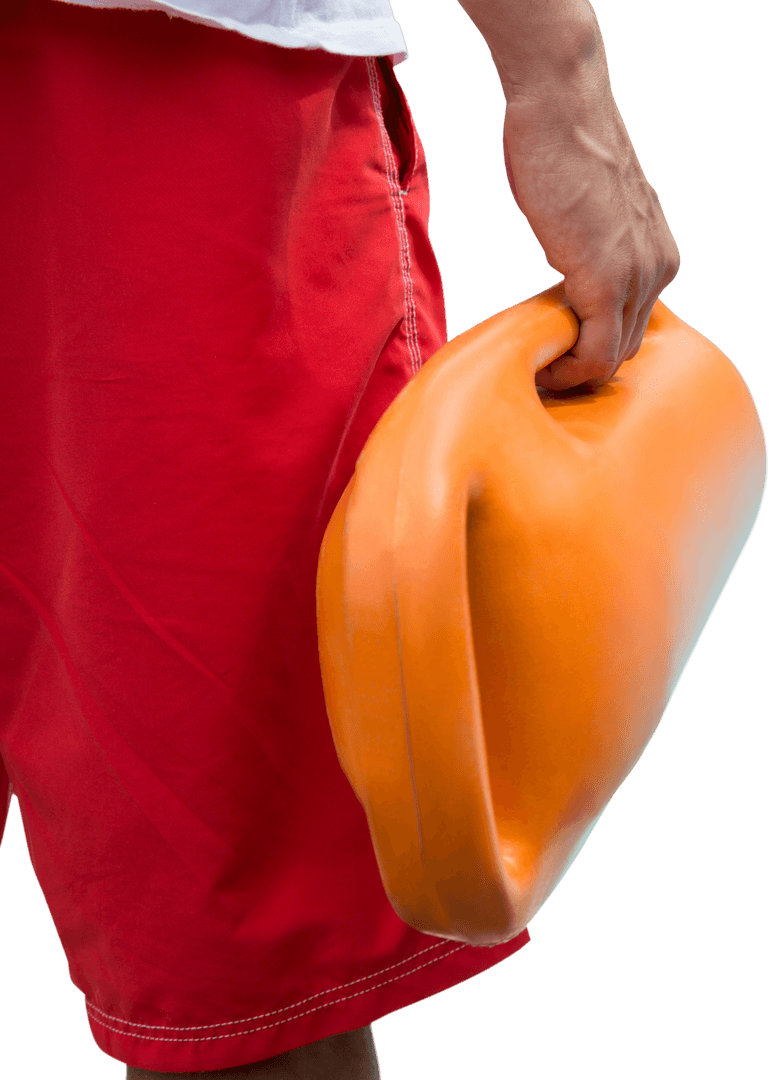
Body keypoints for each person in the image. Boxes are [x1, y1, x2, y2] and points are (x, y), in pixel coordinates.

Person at [0, 1, 679, 1078]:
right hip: (171, 104)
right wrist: (559, 70)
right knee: (242, 976)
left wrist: (558, 70)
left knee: (243, 977)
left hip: (174, 83)